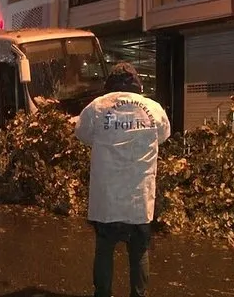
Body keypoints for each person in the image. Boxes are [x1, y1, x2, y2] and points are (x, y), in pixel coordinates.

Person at [74, 62, 171, 297]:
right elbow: (164, 135)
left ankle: (103, 294)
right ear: (137, 83)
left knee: (104, 250)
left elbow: (82, 134)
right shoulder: (153, 108)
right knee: (138, 251)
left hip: (107, 198)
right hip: (139, 196)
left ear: (110, 84)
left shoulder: (98, 107)